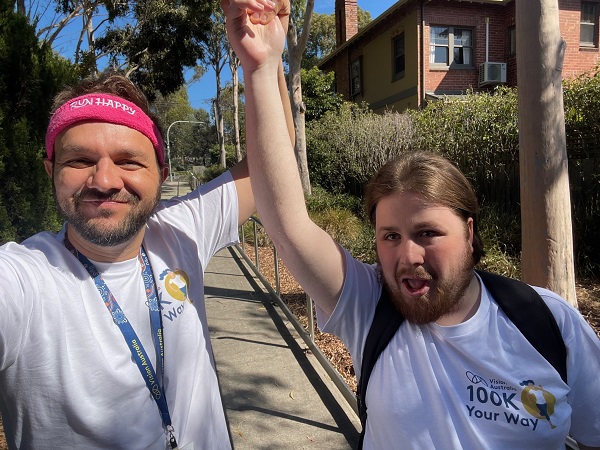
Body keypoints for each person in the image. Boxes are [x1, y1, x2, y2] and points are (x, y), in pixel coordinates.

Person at [223, 1, 600, 448]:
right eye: (390, 237)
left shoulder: (547, 322)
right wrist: (263, 67)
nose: (407, 256)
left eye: (427, 233)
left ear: (469, 231)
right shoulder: (370, 309)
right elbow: (288, 225)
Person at [0, 20, 291, 447]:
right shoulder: (22, 280)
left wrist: (266, 61)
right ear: (51, 171)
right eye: (79, 159)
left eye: (129, 161)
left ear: (162, 174)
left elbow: (270, 165)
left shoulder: (181, 228)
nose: (104, 180)